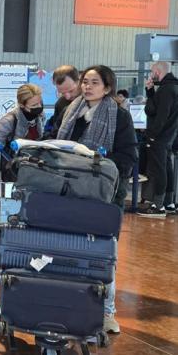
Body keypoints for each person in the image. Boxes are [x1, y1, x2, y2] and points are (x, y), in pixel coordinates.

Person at [56, 65, 138, 335]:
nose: (87, 87)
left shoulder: (120, 116)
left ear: (107, 87)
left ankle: (106, 313)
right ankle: (71, 306)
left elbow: (128, 158)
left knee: (104, 252)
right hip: (71, 190)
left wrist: (100, 168)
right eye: (85, 81)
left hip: (105, 194)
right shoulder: (69, 110)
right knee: (70, 249)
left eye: (94, 82)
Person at [0, 84, 45, 204]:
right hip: (7, 172)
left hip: (25, 171)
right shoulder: (8, 121)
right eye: (34, 105)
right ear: (22, 105)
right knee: (4, 208)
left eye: (40, 103)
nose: (39, 107)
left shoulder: (39, 118)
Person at [138, 61, 178, 217]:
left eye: (151, 71)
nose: (150, 74)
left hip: (159, 137)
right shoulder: (171, 87)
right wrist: (150, 91)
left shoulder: (166, 90)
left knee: (159, 170)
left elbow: (160, 115)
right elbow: (155, 107)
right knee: (167, 168)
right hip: (169, 136)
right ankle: (168, 203)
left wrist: (152, 135)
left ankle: (158, 205)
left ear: (158, 72)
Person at [46, 65, 81, 138]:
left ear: (79, 81)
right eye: (62, 93)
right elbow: (55, 131)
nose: (68, 97)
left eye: (71, 91)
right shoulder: (60, 103)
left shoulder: (91, 101)